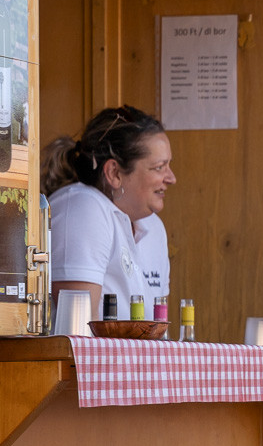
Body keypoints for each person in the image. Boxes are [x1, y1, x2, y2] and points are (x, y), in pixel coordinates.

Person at [42, 105, 176, 320]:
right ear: (114, 173)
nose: (171, 178)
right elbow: (79, 329)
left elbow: (158, 327)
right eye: (159, 167)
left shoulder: (154, 227)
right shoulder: (81, 208)